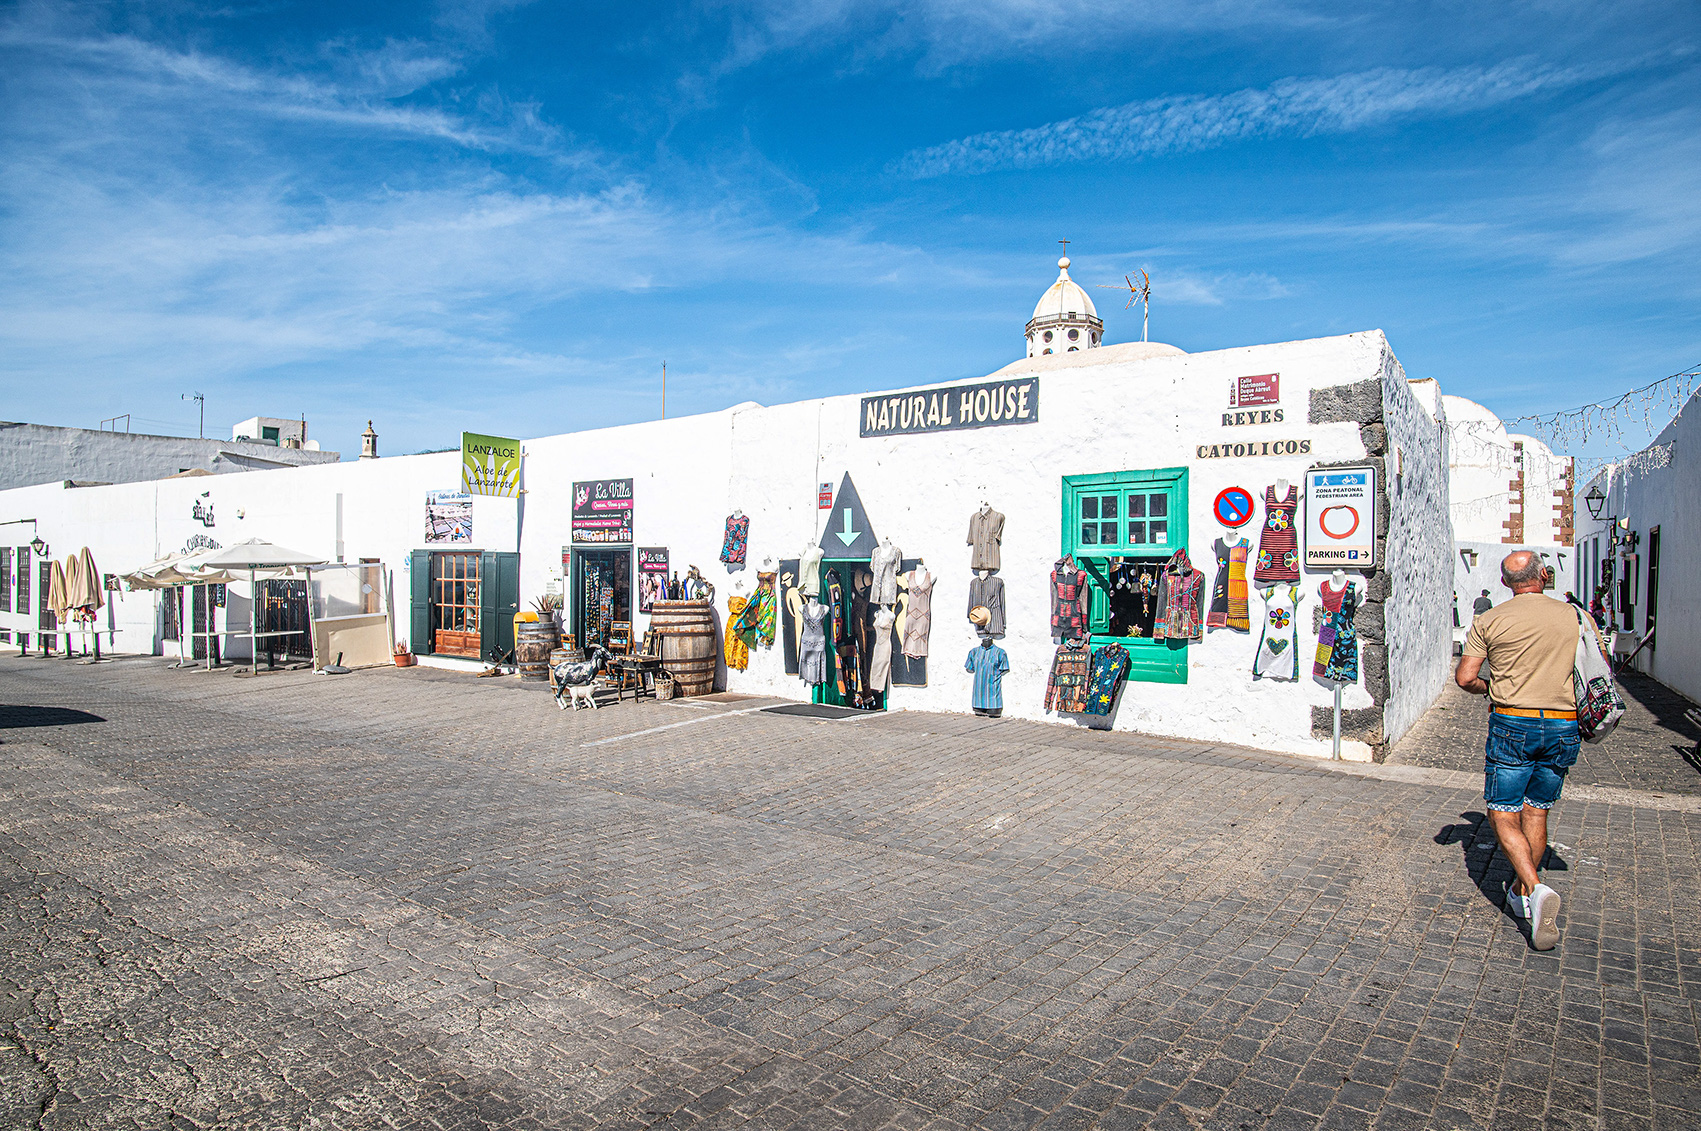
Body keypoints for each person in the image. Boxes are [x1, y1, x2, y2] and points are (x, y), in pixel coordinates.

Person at [1454, 551, 1600, 951]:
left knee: (1503, 812)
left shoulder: (1490, 620)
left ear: (1505, 583)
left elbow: (1465, 677)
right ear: (1544, 575)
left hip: (1513, 721)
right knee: (1537, 809)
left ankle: (1534, 888)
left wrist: (1492, 689)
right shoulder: (1576, 616)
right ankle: (1523, 895)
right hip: (1563, 724)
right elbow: (1597, 665)